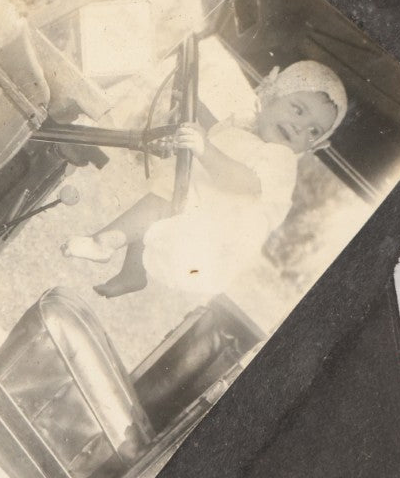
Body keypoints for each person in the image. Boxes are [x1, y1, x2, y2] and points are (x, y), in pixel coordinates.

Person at [63, 59, 349, 299]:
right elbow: (217, 131)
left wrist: (205, 150)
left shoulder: (280, 160)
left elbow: (242, 180)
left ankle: (104, 242)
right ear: (270, 96)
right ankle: (133, 272)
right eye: (297, 110)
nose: (299, 127)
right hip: (196, 215)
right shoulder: (246, 130)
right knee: (161, 205)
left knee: (161, 203)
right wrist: (194, 106)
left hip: (212, 240)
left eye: (313, 131)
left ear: (313, 145)